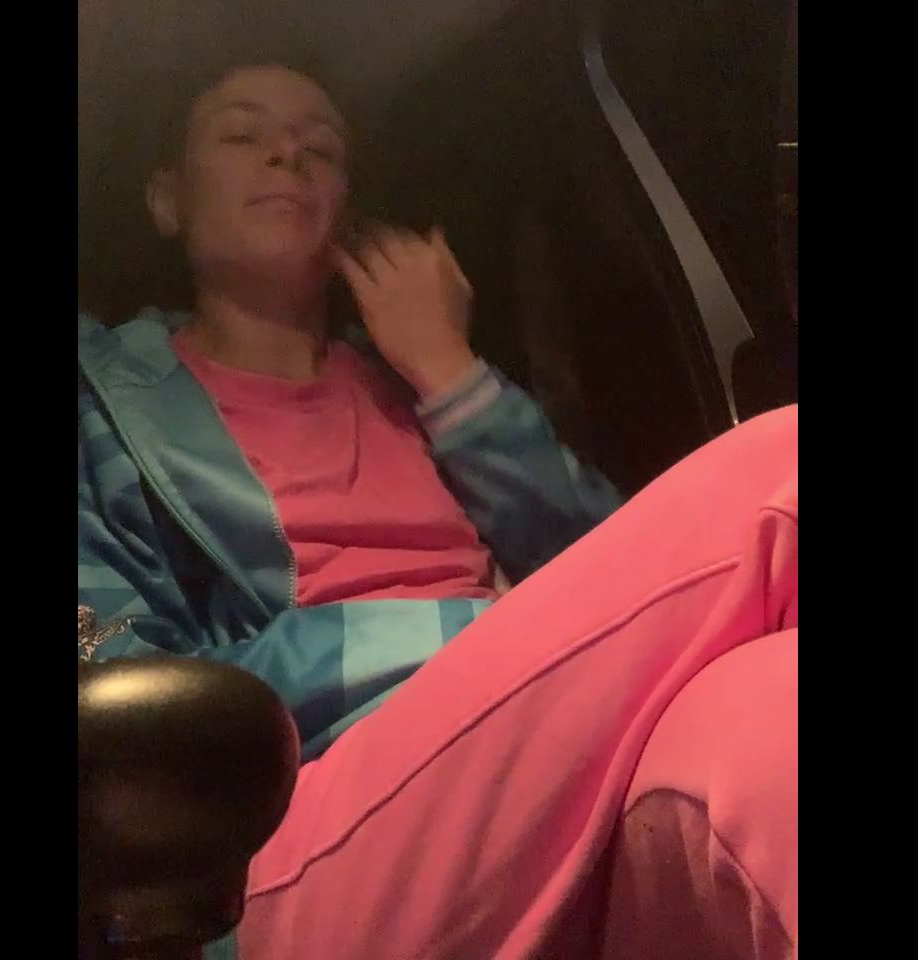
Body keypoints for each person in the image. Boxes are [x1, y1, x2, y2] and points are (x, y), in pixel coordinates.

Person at [78, 53, 797, 960]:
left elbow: (618, 574)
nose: (287, 156)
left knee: (772, 716)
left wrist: (449, 371)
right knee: (781, 465)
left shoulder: (406, 381)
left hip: (556, 763)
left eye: (319, 147)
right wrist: (483, 631)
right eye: (242, 134)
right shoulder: (98, 405)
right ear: (167, 200)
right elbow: (122, 712)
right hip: (282, 838)